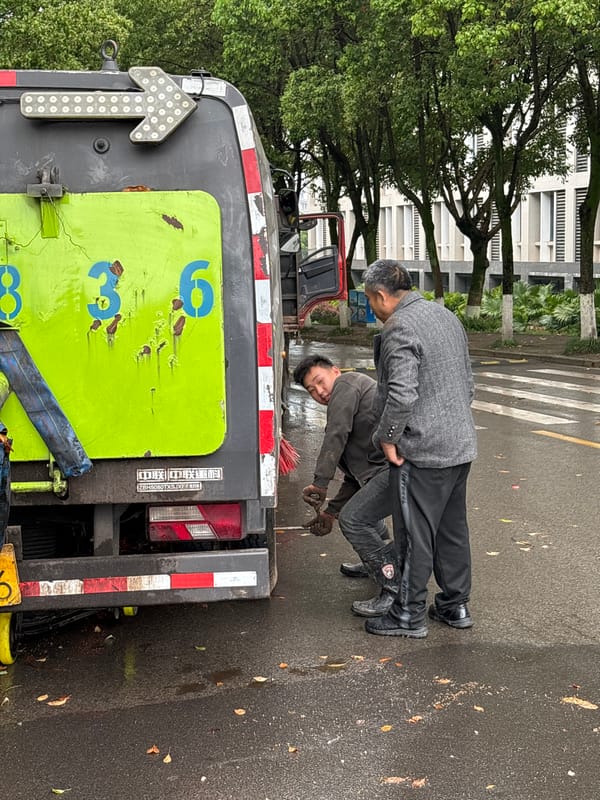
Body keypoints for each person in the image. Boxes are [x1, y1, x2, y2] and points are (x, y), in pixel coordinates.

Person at [357, 258, 477, 638]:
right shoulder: (445, 317)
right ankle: (455, 605)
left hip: (422, 451)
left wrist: (389, 437)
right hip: (459, 446)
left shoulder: (400, 326)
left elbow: (401, 392)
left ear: (380, 295)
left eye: (369, 301)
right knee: (452, 531)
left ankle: (408, 615)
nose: (372, 309)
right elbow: (468, 384)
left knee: (414, 534)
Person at [292, 355, 392, 595]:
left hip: (396, 471)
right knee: (362, 511)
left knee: (354, 519)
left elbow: (336, 433)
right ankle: (376, 562)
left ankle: (392, 581)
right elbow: (354, 479)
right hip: (380, 475)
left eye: (320, 381)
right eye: (311, 390)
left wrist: (320, 483)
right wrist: (329, 512)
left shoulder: (347, 383)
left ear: (335, 371)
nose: (320, 391)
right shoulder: (348, 401)